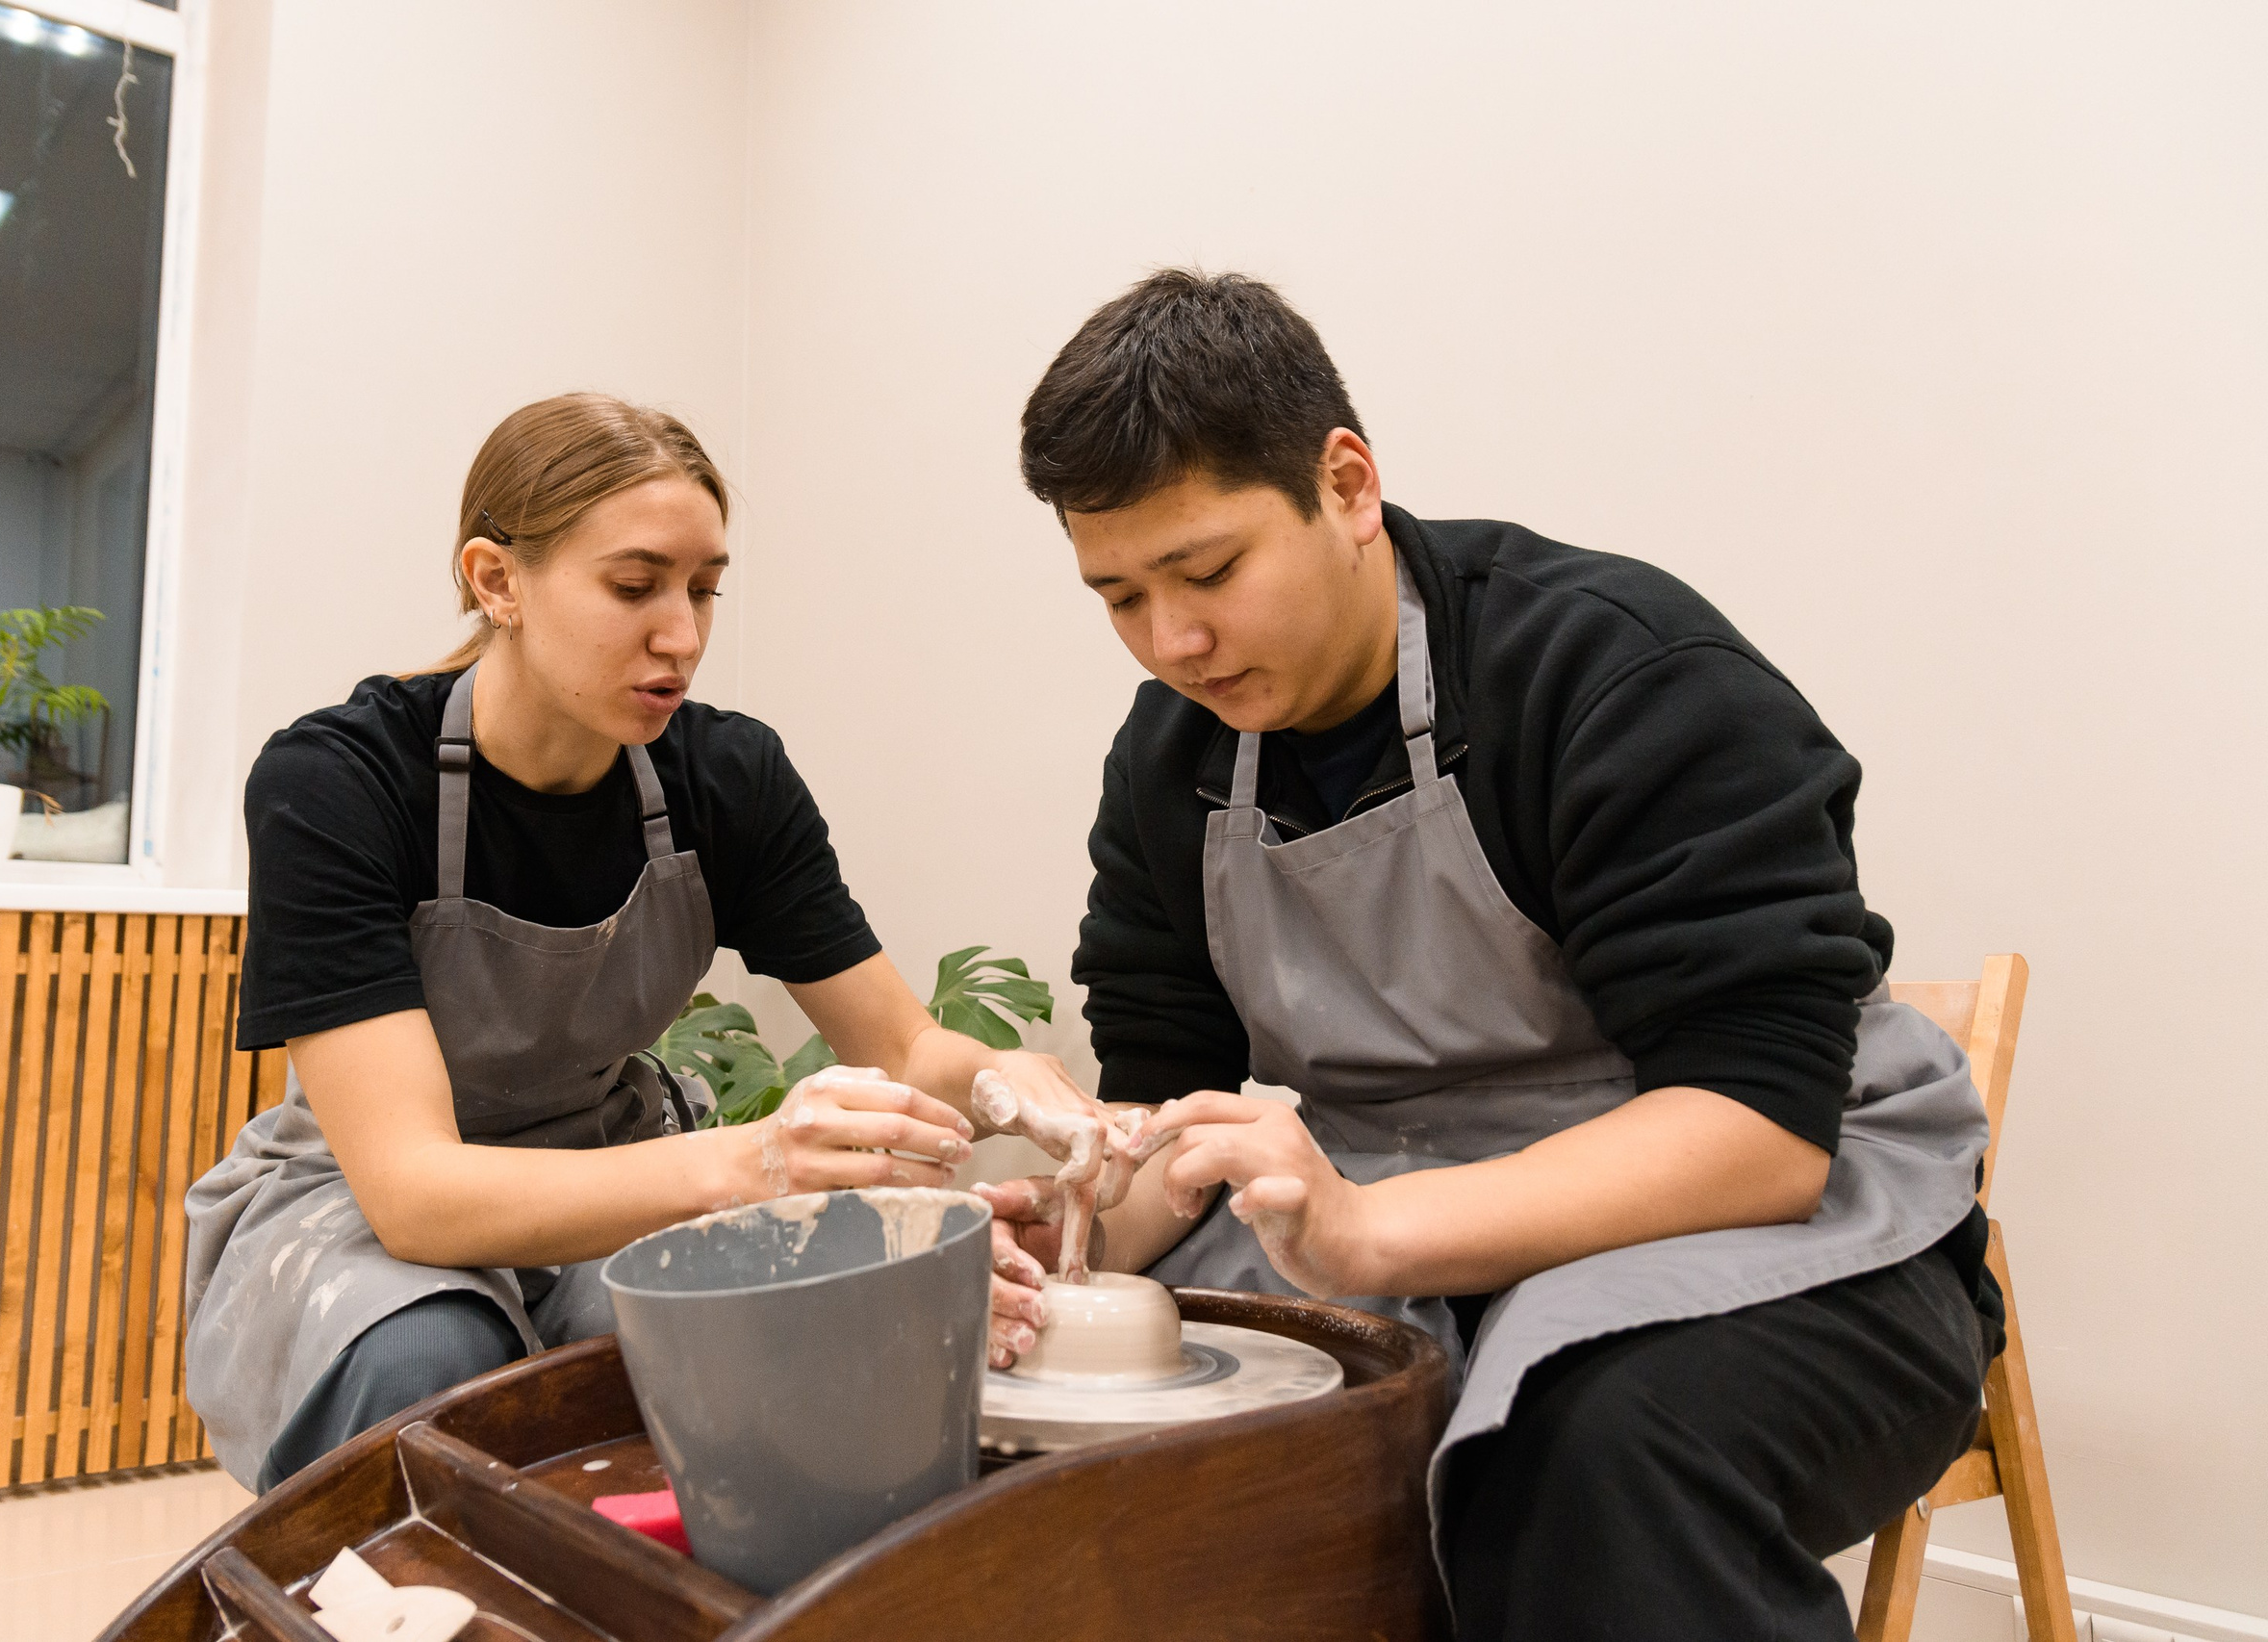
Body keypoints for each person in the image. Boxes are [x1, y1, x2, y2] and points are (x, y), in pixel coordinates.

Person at [982, 272, 2005, 1640]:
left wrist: (1361, 1228)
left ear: (1345, 483)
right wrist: (1077, 1204)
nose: (1173, 642)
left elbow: (1759, 1132)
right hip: (1423, 1224)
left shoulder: (1615, 674)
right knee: (1103, 1427)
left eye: (1210, 571)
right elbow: (1169, 1098)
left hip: (1785, 1236)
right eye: (1118, 595)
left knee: (1588, 1446)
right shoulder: (1171, 765)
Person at [184, 393, 1107, 1493]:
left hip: (616, 1158)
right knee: (430, 1357)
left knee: (761, 1344)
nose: (682, 632)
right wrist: (756, 1163)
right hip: (361, 1196)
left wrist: (1013, 1084)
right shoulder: (336, 782)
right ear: (496, 580)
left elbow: (904, 1045)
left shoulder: (726, 778)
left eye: (704, 588)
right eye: (634, 587)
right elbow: (414, 1192)